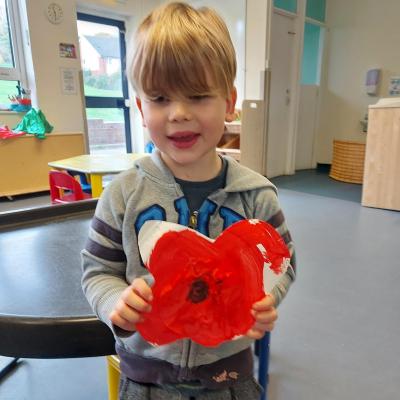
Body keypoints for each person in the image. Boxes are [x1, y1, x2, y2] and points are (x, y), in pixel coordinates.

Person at [81, 2, 296, 399]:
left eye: (198, 96)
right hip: (145, 379)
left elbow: (282, 265)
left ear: (229, 102)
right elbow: (97, 269)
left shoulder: (256, 195)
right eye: (160, 98)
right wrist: (115, 302)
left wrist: (267, 297)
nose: (179, 114)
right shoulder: (123, 194)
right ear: (142, 108)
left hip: (229, 378)